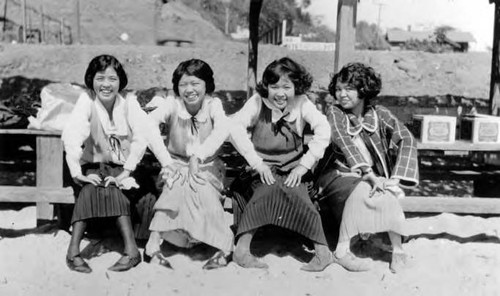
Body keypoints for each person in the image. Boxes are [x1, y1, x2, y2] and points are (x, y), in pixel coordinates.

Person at [229, 57, 333, 272]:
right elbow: (235, 128)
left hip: (292, 170)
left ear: (296, 87)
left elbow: (324, 129)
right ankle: (242, 250)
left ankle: (323, 253)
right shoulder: (257, 102)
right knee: (267, 188)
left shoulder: (302, 103)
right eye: (274, 86)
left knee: (298, 192)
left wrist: (304, 165)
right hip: (261, 170)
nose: (280, 93)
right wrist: (257, 164)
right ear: (266, 87)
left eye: (287, 87)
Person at [314, 62, 419, 273]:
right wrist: (369, 175)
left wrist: (395, 179)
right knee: (362, 189)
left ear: (363, 90)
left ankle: (397, 251)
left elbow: (406, 138)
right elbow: (343, 140)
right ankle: (342, 250)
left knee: (386, 193)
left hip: (369, 176)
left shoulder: (379, 113)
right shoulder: (335, 112)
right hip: (336, 174)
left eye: (349, 89)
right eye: (339, 89)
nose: (342, 94)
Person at [62, 54, 159, 273]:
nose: (106, 84)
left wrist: (127, 170)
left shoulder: (128, 102)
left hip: (121, 167)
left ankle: (132, 252)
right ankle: (73, 252)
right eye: (100, 78)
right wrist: (78, 173)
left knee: (113, 189)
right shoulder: (86, 100)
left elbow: (142, 136)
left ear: (120, 81)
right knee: (89, 189)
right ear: (91, 80)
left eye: (112, 79)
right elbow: (72, 135)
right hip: (93, 166)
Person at [143, 59, 234, 270]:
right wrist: (166, 160)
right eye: (184, 84)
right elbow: (148, 125)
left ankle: (224, 248)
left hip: (207, 166)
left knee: (199, 185)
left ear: (206, 85)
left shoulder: (214, 105)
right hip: (175, 164)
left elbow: (222, 131)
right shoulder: (172, 104)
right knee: (176, 185)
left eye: (195, 83)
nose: (189, 90)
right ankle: (153, 245)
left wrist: (198, 156)